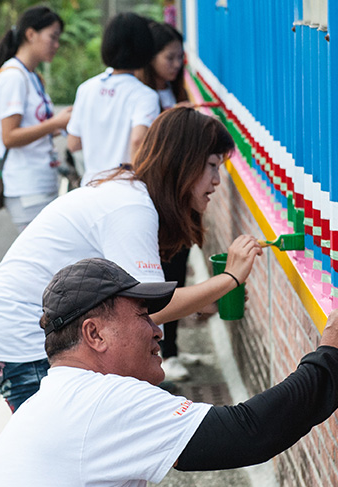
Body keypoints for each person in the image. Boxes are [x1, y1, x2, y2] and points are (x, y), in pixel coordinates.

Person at [0, 258, 338, 487]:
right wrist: (331, 355)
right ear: (94, 334)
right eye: (143, 316)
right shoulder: (100, 400)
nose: (158, 330)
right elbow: (249, 434)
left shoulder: (54, 398)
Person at [0, 107, 259, 411]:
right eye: (212, 165)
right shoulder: (132, 209)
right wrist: (229, 279)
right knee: (71, 449)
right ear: (184, 162)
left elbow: (138, 306)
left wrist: (202, 304)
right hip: (26, 341)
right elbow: (147, 309)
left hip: (29, 335)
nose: (217, 180)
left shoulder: (130, 190)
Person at [136, 21, 192, 380]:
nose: (175, 64)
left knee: (178, 270)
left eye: (179, 57)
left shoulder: (172, 90)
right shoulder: (143, 98)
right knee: (160, 278)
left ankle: (170, 349)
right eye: (168, 57)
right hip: (159, 198)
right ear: (149, 59)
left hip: (177, 195)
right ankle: (159, 353)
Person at [0, 6, 72, 232]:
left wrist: (60, 126)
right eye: (52, 37)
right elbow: (9, 136)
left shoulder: (31, 76)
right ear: (30, 34)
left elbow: (34, 127)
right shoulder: (14, 77)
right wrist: (54, 123)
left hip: (40, 182)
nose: (56, 45)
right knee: (42, 263)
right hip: (27, 187)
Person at [66, 12, 160, 185]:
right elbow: (138, 140)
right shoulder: (145, 95)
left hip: (91, 186)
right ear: (145, 47)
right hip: (124, 186)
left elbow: (73, 143)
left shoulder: (86, 88)